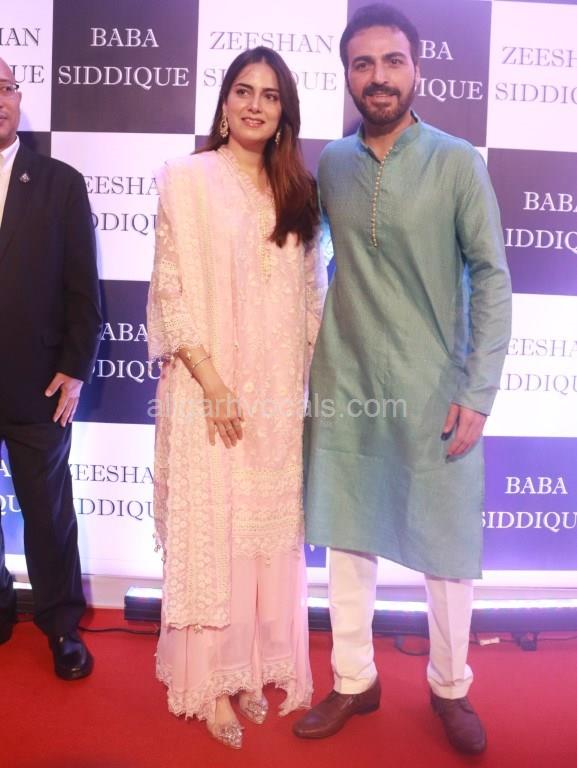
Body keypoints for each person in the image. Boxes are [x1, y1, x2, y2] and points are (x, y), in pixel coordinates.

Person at [292, 4, 512, 756]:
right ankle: (354, 679)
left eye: (392, 61)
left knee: (445, 550)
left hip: (433, 388)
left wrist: (477, 391)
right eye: (363, 64)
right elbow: (296, 255)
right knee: (346, 535)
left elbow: (491, 277)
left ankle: (450, 687)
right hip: (346, 378)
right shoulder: (332, 163)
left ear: (416, 69)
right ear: (348, 75)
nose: (378, 77)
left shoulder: (456, 161)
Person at [147, 46, 326, 750]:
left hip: (276, 396)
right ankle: (210, 685)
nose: (255, 105)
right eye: (244, 91)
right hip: (207, 391)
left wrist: (307, 391)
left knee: (260, 536)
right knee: (213, 534)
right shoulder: (185, 179)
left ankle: (248, 664)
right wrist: (212, 382)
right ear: (224, 104)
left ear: (284, 113)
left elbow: (309, 298)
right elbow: (169, 288)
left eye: (270, 95)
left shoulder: (297, 192)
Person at [0, 57, 101, 678]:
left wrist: (75, 366)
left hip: (37, 384)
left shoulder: (60, 183)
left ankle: (62, 625)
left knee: (48, 513)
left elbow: (84, 287)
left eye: (6, 87)